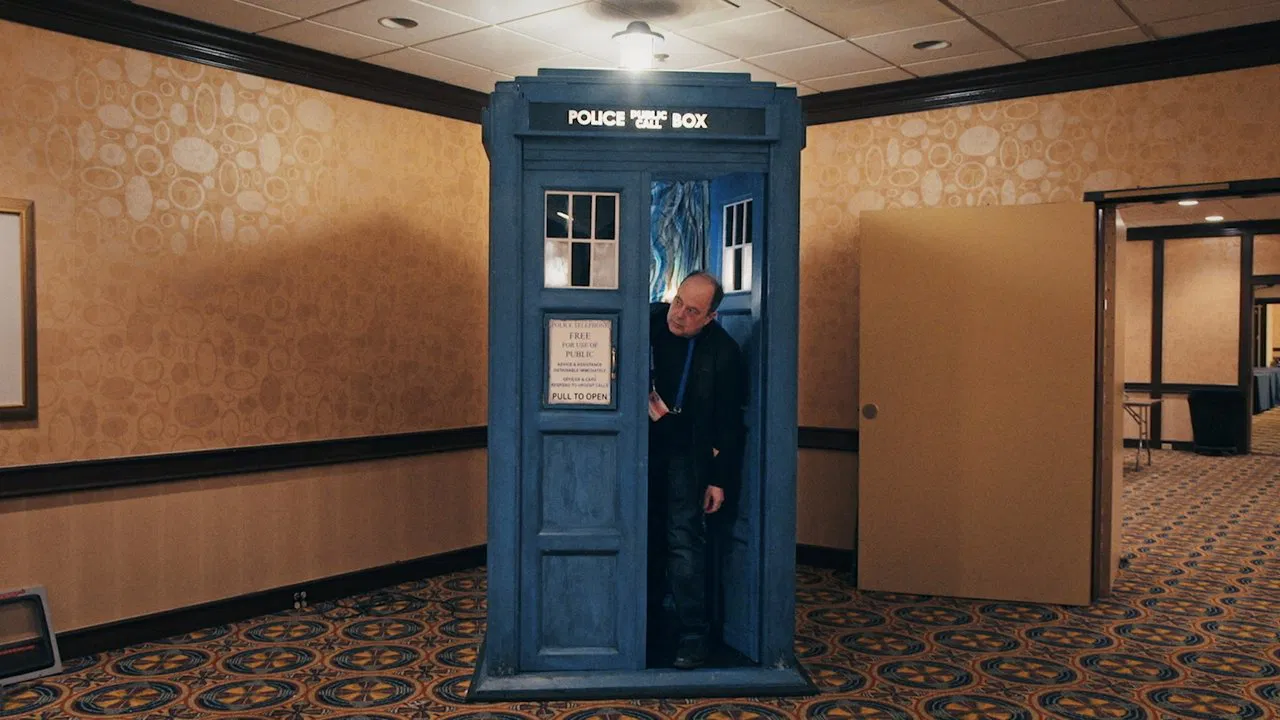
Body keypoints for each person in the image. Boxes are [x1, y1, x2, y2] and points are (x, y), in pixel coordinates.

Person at [647, 271, 746, 669]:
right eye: (677, 302)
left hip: (687, 456)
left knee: (683, 541)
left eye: (692, 311)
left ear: (710, 317)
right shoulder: (650, 320)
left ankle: (693, 633)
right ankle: (644, 623)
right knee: (641, 535)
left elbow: (729, 424)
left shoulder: (724, 352)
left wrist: (719, 479)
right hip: (639, 449)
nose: (679, 314)